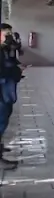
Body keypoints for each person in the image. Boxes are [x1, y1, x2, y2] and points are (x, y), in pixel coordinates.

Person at [0, 22, 23, 164]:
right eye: (6, 34)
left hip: (7, 88)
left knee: (5, 117)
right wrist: (16, 71)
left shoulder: (5, 49)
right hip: (2, 90)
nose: (9, 37)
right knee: (1, 119)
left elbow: (12, 60)